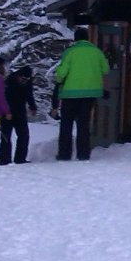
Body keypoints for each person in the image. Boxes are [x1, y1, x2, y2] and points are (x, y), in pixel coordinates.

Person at [52, 26, 109, 161]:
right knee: (83, 125)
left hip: (70, 94)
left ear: (75, 39)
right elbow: (106, 70)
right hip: (90, 94)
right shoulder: (97, 52)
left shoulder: (70, 52)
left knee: (66, 125)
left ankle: (64, 154)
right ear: (88, 38)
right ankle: (83, 154)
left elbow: (62, 73)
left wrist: (58, 79)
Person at [0, 65, 38, 164]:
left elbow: (29, 96)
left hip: (20, 113)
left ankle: (20, 159)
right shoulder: (9, 82)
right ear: (18, 75)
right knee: (6, 137)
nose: (24, 81)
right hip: (6, 114)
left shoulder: (27, 83)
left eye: (27, 79)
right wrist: (7, 112)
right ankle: (4, 160)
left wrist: (33, 107)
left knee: (24, 136)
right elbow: (3, 99)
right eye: (23, 78)